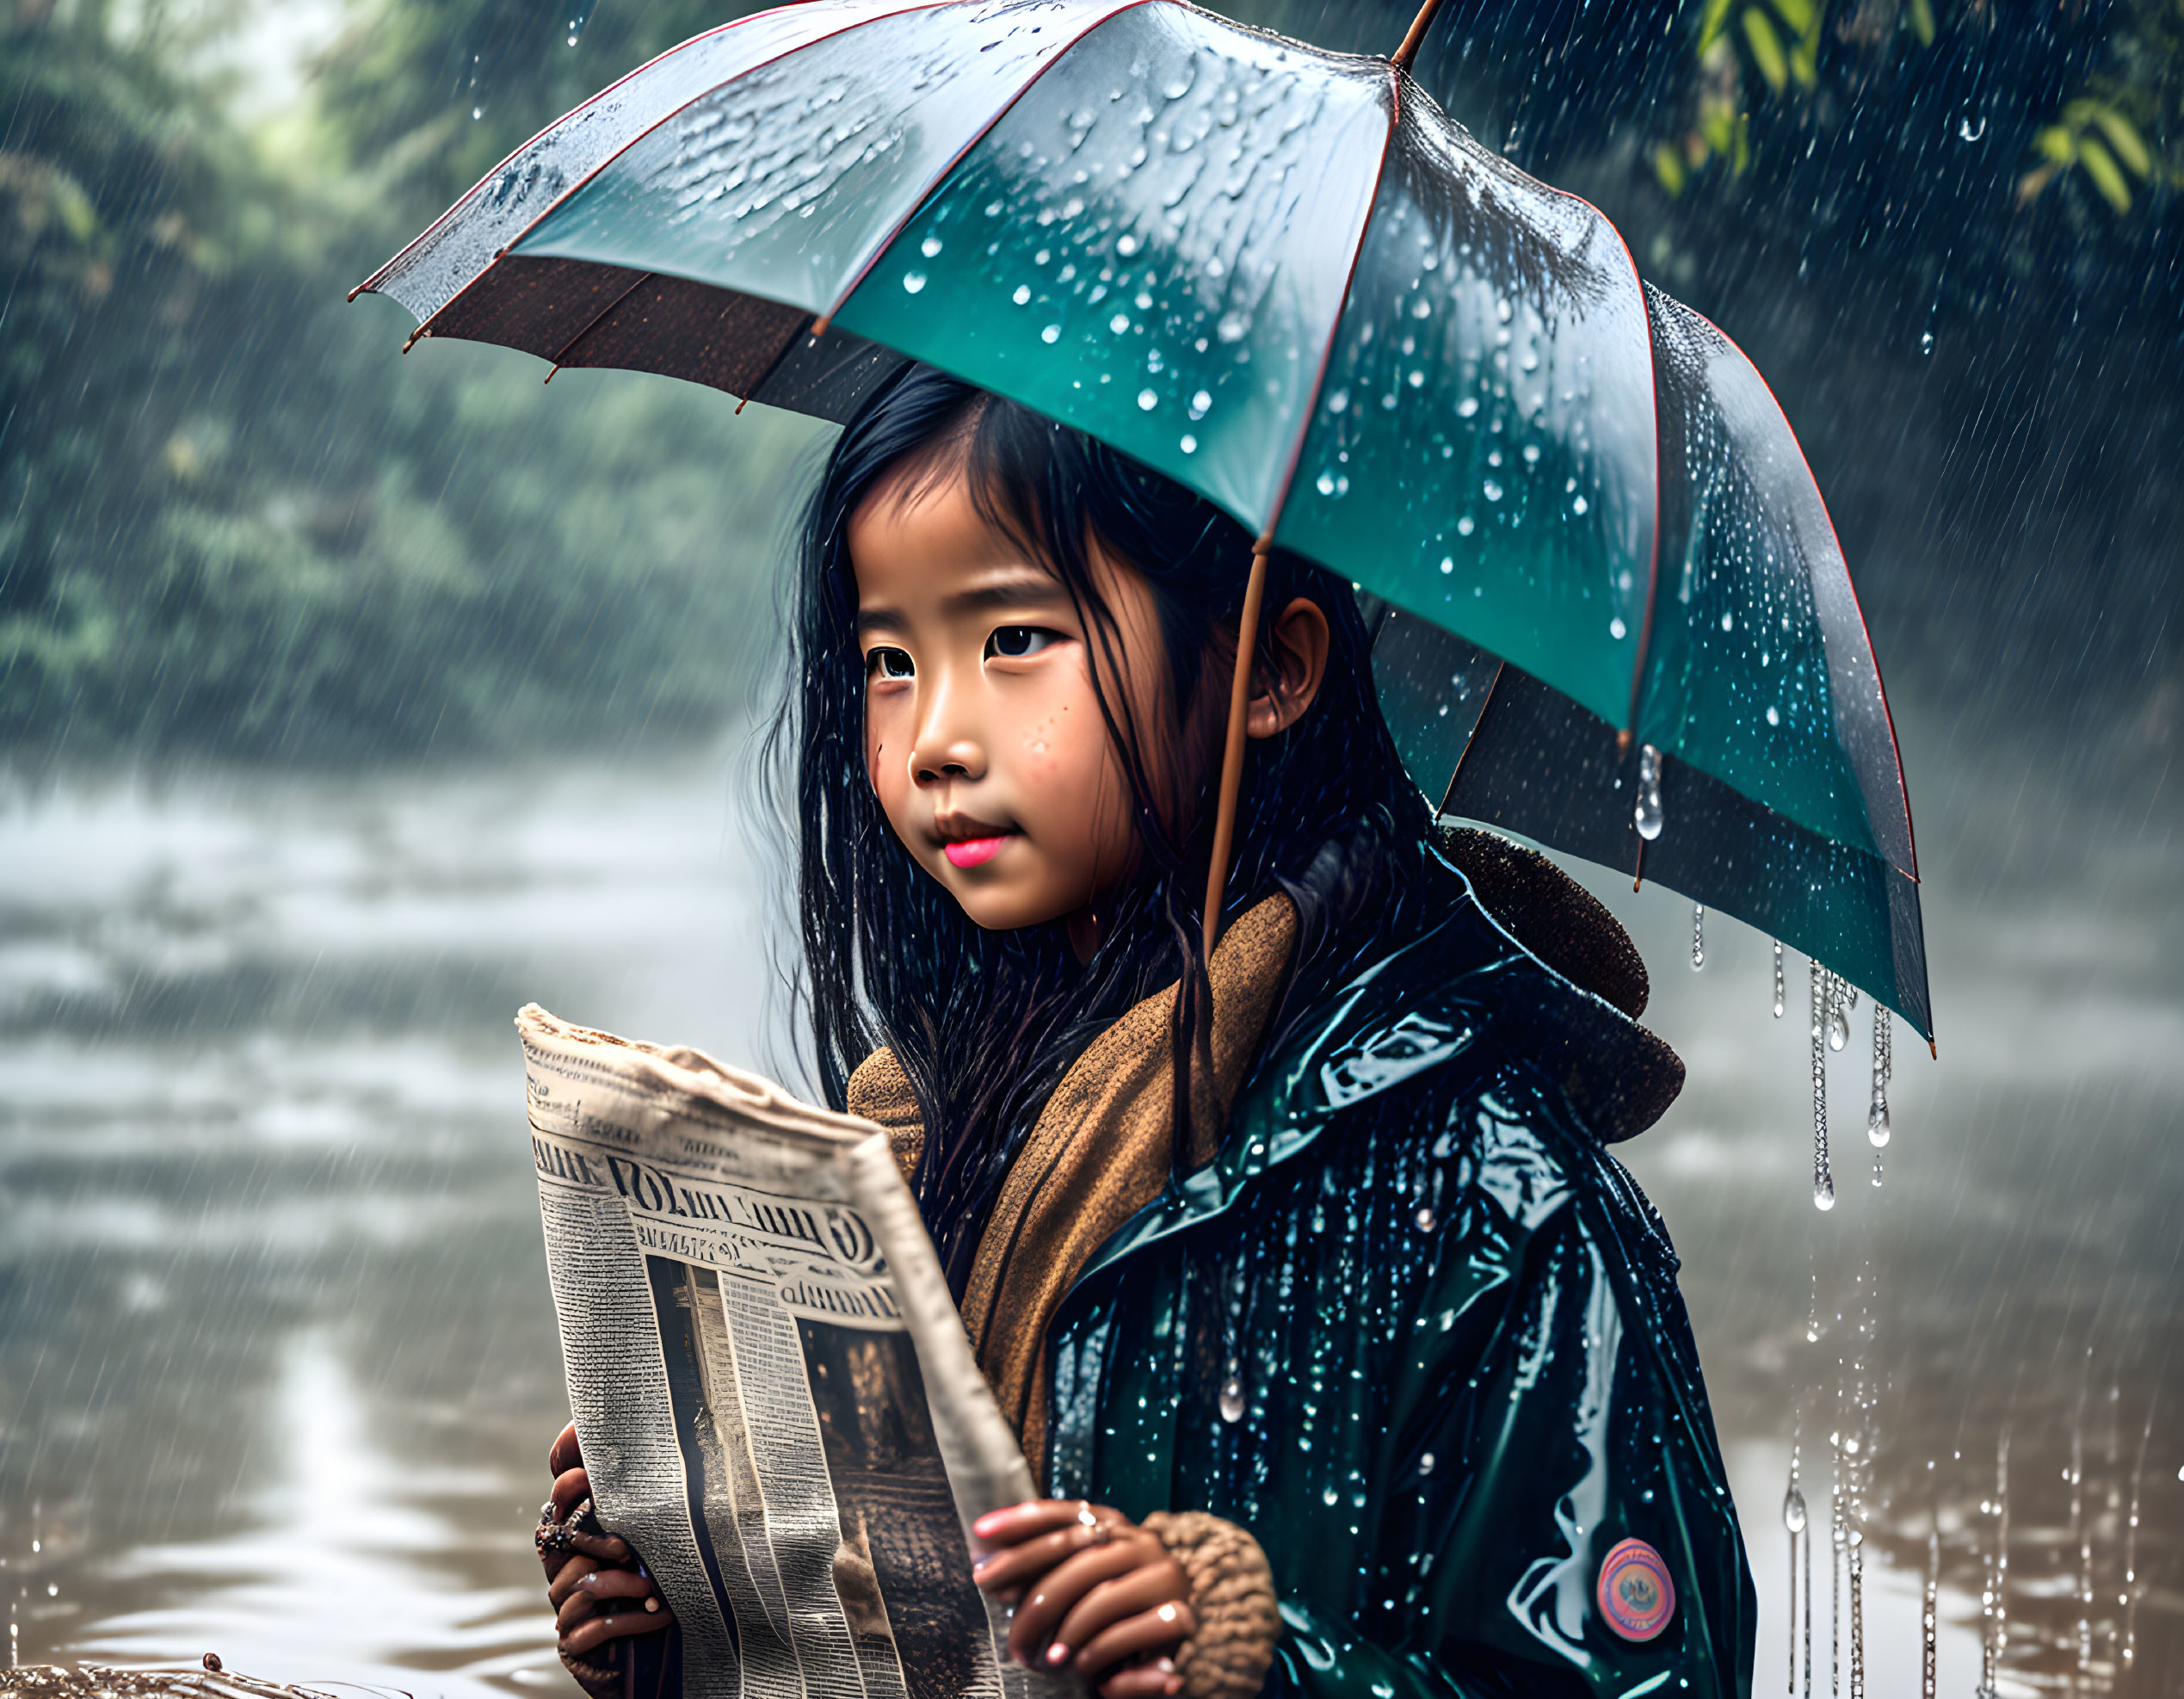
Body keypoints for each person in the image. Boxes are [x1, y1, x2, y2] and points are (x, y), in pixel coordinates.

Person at [538, 368, 1755, 1699]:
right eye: (891, 661)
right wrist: (677, 1606)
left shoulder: (1496, 1199)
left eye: (1013, 642)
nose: (935, 737)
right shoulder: (917, 1135)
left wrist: (1238, 1652)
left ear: (1269, 670)